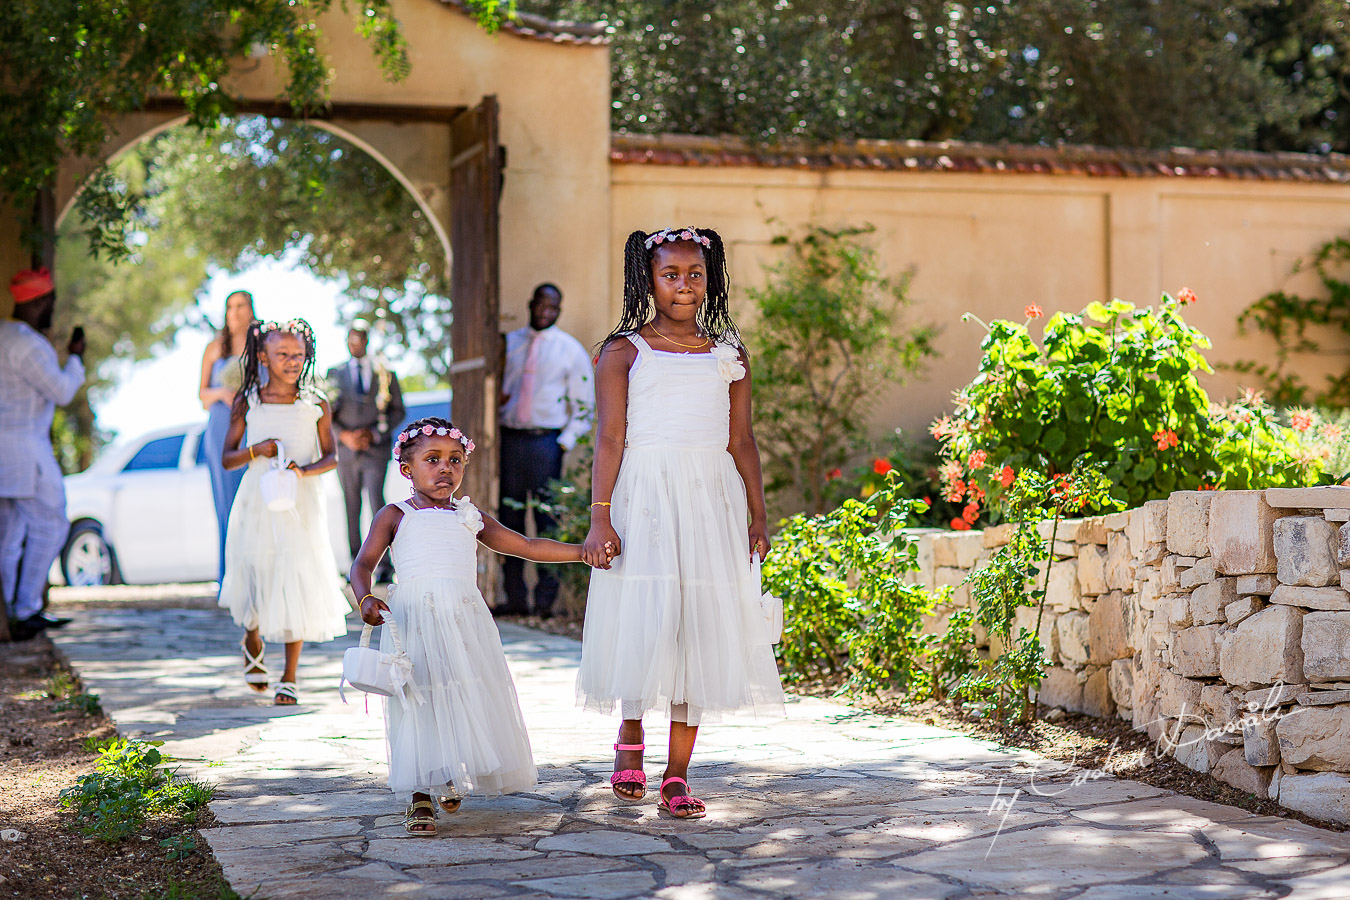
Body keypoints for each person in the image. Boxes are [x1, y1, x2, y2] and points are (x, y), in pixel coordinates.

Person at [577, 227, 784, 821]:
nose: (684, 285)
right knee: (646, 615)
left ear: (710, 279)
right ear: (648, 280)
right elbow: (610, 438)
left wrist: (757, 515)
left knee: (699, 625)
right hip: (645, 496)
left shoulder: (730, 355)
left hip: (709, 500)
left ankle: (677, 773)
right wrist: (601, 519)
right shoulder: (623, 352)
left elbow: (740, 438)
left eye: (696, 273)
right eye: (671, 274)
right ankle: (631, 733)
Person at [349, 416, 610, 836]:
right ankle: (420, 792)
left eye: (455, 460)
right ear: (406, 469)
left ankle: (450, 772)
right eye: (432, 459)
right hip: (416, 617)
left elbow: (524, 545)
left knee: (459, 690)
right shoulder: (395, 515)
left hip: (464, 619)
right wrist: (365, 597)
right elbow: (362, 564)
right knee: (419, 696)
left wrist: (582, 551)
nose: (445, 468)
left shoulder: (469, 516)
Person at [219, 319, 349, 705]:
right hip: (257, 502)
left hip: (301, 503)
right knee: (257, 575)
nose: (292, 361)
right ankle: (252, 636)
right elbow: (227, 459)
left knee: (297, 577)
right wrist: (256, 450)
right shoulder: (249, 401)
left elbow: (331, 457)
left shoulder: (316, 403)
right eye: (282, 355)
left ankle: (289, 677)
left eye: (297, 354)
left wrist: (303, 470)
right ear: (263, 357)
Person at [497, 283, 595, 617]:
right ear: (530, 303)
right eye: (540, 304)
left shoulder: (570, 350)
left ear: (559, 310)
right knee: (508, 520)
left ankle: (544, 604)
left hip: (546, 443)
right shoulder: (507, 344)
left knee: (546, 520)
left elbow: (584, 407)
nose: (545, 311)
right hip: (509, 439)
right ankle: (514, 598)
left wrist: (562, 443)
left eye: (552, 306)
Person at [0, 268, 84, 641]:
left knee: (10, 533)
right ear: (36, 302)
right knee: (51, 525)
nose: (51, 307)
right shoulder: (28, 344)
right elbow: (62, 391)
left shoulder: (4, 334)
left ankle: (11, 610)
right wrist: (76, 359)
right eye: (49, 301)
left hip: (8, 449)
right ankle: (26, 608)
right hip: (25, 450)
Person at [328, 323, 404, 580]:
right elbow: (327, 414)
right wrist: (344, 436)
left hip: (375, 451)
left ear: (367, 340)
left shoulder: (385, 372)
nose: (355, 342)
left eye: (360, 338)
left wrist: (374, 434)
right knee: (351, 506)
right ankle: (356, 566)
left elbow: (398, 411)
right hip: (346, 453)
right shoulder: (334, 374)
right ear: (346, 341)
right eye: (351, 338)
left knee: (377, 504)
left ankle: (384, 567)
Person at [198, 290, 256, 586]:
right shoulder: (213, 349)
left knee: (255, 499)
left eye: (240, 306)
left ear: (251, 310)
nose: (234, 312)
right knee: (226, 503)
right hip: (221, 429)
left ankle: (256, 574)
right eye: (229, 307)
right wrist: (222, 392)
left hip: (253, 428)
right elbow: (201, 396)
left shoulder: (261, 347)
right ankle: (229, 577)